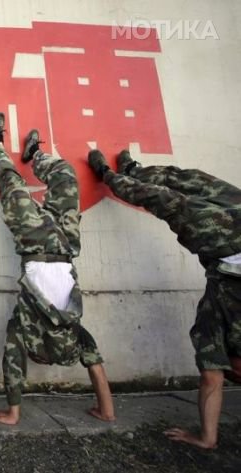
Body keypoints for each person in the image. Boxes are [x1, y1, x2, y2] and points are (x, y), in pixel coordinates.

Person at [88, 148, 241, 448]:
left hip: (221, 240)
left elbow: (211, 379)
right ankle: (133, 169)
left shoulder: (216, 325)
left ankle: (109, 175)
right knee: (191, 179)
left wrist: (207, 438)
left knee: (163, 199)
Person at [0, 113, 115, 426]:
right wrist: (106, 411)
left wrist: (13, 413)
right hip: (67, 246)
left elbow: (13, 363)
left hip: (33, 243)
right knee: (66, 175)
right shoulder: (77, 334)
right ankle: (36, 156)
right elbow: (96, 368)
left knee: (12, 187)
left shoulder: (23, 328)